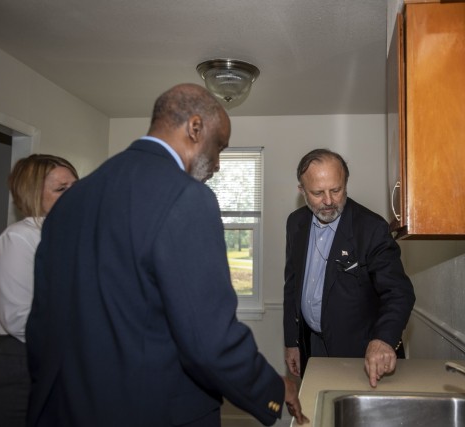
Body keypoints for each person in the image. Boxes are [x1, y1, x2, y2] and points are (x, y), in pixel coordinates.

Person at [25, 83, 307, 427]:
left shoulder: (72, 200)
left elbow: (42, 328)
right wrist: (274, 388)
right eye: (219, 147)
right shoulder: (186, 197)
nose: (218, 164)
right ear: (195, 127)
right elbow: (208, 341)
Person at [283, 148, 415, 388]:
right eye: (317, 193)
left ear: (346, 183)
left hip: (361, 353)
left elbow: (399, 293)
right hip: (311, 345)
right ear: (301, 191)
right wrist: (292, 341)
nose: (329, 201)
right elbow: (292, 284)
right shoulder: (295, 223)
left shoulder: (372, 228)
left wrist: (383, 340)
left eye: (336, 189)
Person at [0, 154, 78, 427]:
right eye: (61, 189)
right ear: (33, 195)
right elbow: (19, 318)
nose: (74, 195)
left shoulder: (69, 237)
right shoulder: (19, 239)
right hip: (21, 361)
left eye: (76, 186)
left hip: (59, 358)